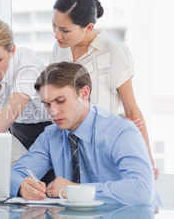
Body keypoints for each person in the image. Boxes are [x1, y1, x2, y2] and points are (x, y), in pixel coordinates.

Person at [10, 62, 159, 205]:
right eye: (47, 104)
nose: (53, 111)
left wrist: (75, 191)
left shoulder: (120, 132)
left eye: (60, 101)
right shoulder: (50, 136)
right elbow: (13, 175)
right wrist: (22, 186)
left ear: (84, 93)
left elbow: (142, 191)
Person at [49, 0, 158, 178]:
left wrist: (148, 161)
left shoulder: (114, 51)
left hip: (100, 151)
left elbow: (133, 112)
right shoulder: (60, 48)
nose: (57, 35)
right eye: (54, 26)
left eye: (65, 30)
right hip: (66, 147)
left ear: (89, 27)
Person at [0, 17, 51, 149]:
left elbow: (11, 112)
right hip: (14, 129)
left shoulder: (27, 67)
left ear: (12, 51)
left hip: (45, 132)